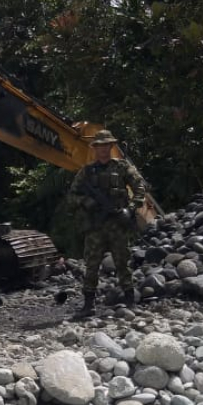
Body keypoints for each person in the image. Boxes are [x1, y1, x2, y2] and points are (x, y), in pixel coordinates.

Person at [68, 130, 149, 317]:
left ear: (111, 146)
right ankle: (88, 305)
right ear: (94, 148)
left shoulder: (122, 167)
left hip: (118, 224)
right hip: (95, 225)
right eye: (99, 146)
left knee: (122, 262)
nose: (103, 149)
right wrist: (86, 201)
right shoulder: (86, 171)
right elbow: (72, 195)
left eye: (106, 145)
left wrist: (130, 208)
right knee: (92, 264)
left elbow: (140, 189)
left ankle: (130, 302)